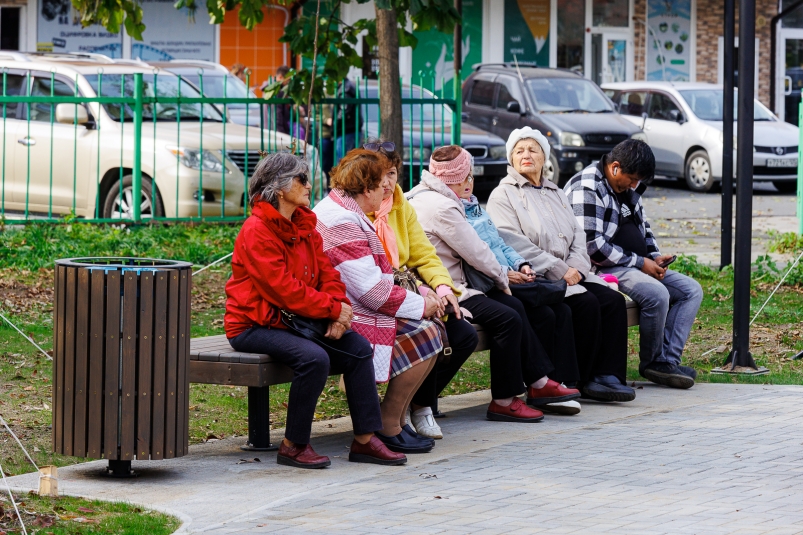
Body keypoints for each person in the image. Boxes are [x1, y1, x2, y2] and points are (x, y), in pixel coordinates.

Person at [224, 152, 406, 469]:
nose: (310, 185)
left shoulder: (304, 224)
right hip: (255, 325)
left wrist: (337, 309)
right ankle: (293, 445)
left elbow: (328, 274)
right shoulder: (257, 230)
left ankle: (365, 439)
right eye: (302, 179)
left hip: (295, 320)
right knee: (314, 358)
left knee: (358, 348)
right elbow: (282, 290)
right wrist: (333, 310)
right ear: (280, 187)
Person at [408, 146, 580, 422]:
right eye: (468, 175)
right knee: (508, 317)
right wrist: (503, 278)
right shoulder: (442, 206)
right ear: (457, 177)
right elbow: (477, 251)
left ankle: (536, 383)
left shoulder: (430, 196)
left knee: (515, 307)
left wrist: (506, 275)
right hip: (451, 289)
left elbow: (488, 246)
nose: (470, 181)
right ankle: (504, 399)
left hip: (456, 283)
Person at [486, 127, 636, 402]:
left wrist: (577, 267)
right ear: (511, 158)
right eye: (519, 151)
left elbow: (578, 234)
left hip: (572, 272)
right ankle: (575, 378)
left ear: (545, 157)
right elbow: (512, 241)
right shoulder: (503, 194)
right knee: (585, 304)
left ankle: (605, 376)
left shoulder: (555, 191)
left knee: (611, 301)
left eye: (533, 149)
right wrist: (560, 270)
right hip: (539, 275)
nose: (526, 155)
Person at [313, 149, 442, 454]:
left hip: (348, 304)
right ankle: (389, 424)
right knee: (426, 332)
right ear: (366, 188)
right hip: (339, 313)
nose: (388, 188)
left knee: (430, 328)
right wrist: (421, 305)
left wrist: (421, 298)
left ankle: (395, 421)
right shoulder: (342, 220)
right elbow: (370, 292)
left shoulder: (343, 209)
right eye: (382, 183)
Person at [361, 140, 480, 438]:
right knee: (429, 331)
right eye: (379, 175)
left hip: (406, 289)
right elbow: (369, 278)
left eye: (391, 173)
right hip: (377, 299)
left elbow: (425, 255)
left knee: (462, 333)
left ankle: (420, 404)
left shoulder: (401, 205)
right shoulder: (360, 209)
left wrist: (441, 287)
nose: (386, 183)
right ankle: (394, 414)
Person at [564, 139, 703, 389]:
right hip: (602, 267)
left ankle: (667, 361)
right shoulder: (587, 187)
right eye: (632, 178)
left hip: (634, 263)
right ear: (615, 167)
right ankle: (652, 362)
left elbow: (643, 227)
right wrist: (641, 263)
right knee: (657, 294)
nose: (635, 185)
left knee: (691, 290)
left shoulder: (627, 189)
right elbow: (591, 246)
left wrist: (654, 256)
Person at [460, 168, 583, 415]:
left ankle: (554, 385)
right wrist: (506, 274)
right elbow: (478, 255)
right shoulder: (459, 210)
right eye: (460, 178)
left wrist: (521, 265)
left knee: (553, 311)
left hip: (502, 275)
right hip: (482, 283)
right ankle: (521, 392)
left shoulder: (476, 208)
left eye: (470, 177)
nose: (467, 183)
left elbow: (501, 245)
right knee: (514, 311)